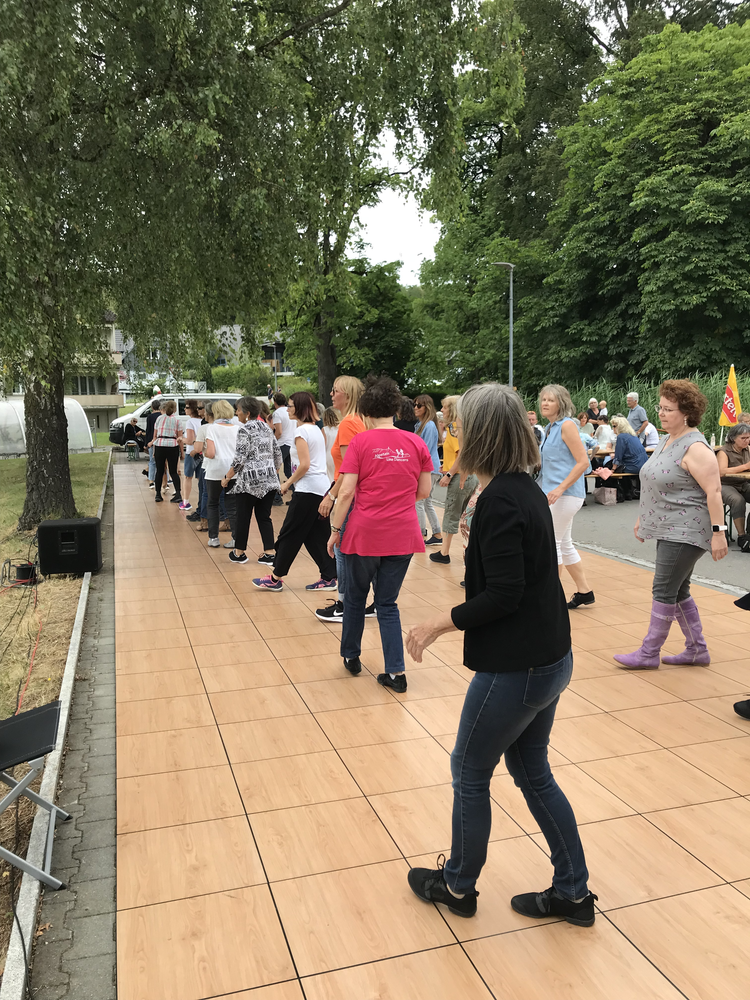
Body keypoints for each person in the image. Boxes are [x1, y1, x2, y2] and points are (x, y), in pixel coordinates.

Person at [404, 382, 596, 926]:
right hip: (548, 655)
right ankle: (572, 892)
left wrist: (437, 624)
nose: (454, 433)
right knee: (531, 768)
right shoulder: (522, 487)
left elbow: (504, 594)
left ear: (481, 433)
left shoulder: (502, 499)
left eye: (461, 425)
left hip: (522, 665)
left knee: (469, 768)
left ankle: (457, 885)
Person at [327, 377, 434, 690]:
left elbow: (346, 492)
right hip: (403, 534)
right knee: (387, 603)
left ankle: (351, 656)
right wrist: (397, 501)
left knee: (355, 597)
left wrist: (335, 530)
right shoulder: (416, 443)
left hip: (365, 533)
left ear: (365, 411)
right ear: (395, 409)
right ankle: (396, 674)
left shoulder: (360, 443)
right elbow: (424, 491)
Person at [614, 379, 728, 670]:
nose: (661, 414)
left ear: (686, 412)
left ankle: (649, 652)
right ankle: (696, 650)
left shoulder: (696, 447)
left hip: (687, 528)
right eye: (660, 407)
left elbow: (714, 492)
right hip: (670, 526)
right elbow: (656, 482)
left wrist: (719, 533)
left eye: (668, 409)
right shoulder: (667, 440)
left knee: (663, 589)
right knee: (678, 590)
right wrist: (643, 516)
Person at [253, 392, 337, 591]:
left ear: (299, 408)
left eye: (290, 406)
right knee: (315, 535)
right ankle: (330, 576)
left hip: (308, 490)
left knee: (289, 533)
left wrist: (287, 483)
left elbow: (305, 465)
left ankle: (275, 578)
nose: (287, 409)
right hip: (319, 488)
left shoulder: (301, 432)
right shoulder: (315, 429)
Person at [316, 376, 367, 622]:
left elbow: (349, 469)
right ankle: (362, 602)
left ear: (346, 394)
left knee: (342, 549)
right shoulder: (362, 421)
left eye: (335, 390)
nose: (331, 395)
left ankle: (344, 604)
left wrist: (331, 495)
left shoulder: (348, 423)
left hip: (350, 495)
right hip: (362, 494)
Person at [538, 385, 595, 610]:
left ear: (561, 403)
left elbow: (583, 462)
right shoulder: (550, 428)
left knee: (552, 544)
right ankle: (584, 592)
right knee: (564, 544)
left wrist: (560, 488)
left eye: (550, 400)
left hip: (564, 494)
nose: (545, 403)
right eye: (543, 399)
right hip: (555, 493)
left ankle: (551, 599)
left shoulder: (567, 425)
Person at [221, 397, 282, 565]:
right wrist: (273, 471)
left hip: (249, 482)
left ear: (247, 413)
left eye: (238, 410)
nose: (236, 413)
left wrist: (227, 477)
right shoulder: (266, 427)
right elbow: (277, 453)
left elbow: (240, 459)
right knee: (264, 517)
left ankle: (239, 552)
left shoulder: (244, 430)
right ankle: (269, 553)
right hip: (269, 480)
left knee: (243, 516)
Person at [430, 395, 478, 565]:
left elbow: (461, 454)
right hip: (471, 475)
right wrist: (448, 467)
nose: (442, 410)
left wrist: (449, 474)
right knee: (468, 516)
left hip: (460, 477)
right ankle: (471, 551)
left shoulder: (453, 428)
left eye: (445, 407)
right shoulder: (462, 427)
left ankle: (444, 552)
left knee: (451, 513)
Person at [203, 400, 239, 548]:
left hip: (215, 470)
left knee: (213, 503)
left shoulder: (211, 428)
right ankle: (236, 538)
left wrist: (204, 453)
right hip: (233, 470)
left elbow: (211, 453)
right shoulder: (237, 428)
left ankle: (213, 538)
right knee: (232, 505)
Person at [414, 394, 443, 545]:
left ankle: (420, 534)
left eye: (419, 405)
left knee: (420, 501)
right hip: (428, 468)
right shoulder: (420, 425)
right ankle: (436, 534)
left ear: (427, 408)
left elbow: (425, 450)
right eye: (414, 405)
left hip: (428, 469)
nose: (415, 408)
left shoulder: (429, 426)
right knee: (426, 502)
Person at [717, 422, 750, 543]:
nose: (746, 441)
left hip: (743, 482)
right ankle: (742, 536)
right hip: (725, 484)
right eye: (743, 438)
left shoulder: (748, 449)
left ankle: (749, 532)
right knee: (737, 500)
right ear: (733, 438)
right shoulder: (724, 451)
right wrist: (745, 466)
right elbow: (722, 471)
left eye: (748, 437)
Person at [148, 400, 182, 505]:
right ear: (175, 409)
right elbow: (180, 437)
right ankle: (178, 494)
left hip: (160, 445)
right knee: (173, 471)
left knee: (159, 471)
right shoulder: (177, 420)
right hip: (172, 445)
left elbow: (155, 436)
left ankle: (158, 494)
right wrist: (181, 452)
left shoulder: (159, 418)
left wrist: (154, 449)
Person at [610, 416, 648, 499]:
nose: (613, 428)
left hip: (634, 465)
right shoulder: (633, 435)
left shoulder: (621, 437)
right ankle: (629, 491)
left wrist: (613, 469)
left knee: (609, 466)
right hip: (643, 464)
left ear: (620, 427)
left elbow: (618, 456)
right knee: (620, 467)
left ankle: (622, 492)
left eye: (614, 426)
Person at [179, 399, 202, 512]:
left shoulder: (190, 422)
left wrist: (181, 439)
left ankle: (185, 502)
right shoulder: (203, 421)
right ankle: (202, 502)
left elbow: (189, 440)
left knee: (188, 477)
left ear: (192, 409)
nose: (185, 409)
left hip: (191, 452)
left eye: (187, 407)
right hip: (202, 452)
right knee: (201, 478)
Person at [272, 391, 295, 502]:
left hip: (282, 443)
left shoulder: (277, 413)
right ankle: (296, 494)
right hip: (292, 443)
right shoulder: (290, 411)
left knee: (275, 469)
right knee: (289, 470)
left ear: (275, 402)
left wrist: (273, 441)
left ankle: (277, 497)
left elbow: (279, 431)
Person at [144, 399, 163, 488]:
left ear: (152, 407)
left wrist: (146, 443)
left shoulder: (150, 417)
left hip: (151, 441)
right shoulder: (162, 416)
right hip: (161, 441)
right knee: (163, 462)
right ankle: (165, 480)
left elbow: (148, 430)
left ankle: (151, 480)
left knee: (152, 461)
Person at [322, 406, 340, 481]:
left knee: (330, 478)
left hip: (328, 455)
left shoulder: (325, 430)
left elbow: (323, 446)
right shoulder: (341, 428)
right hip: (338, 454)